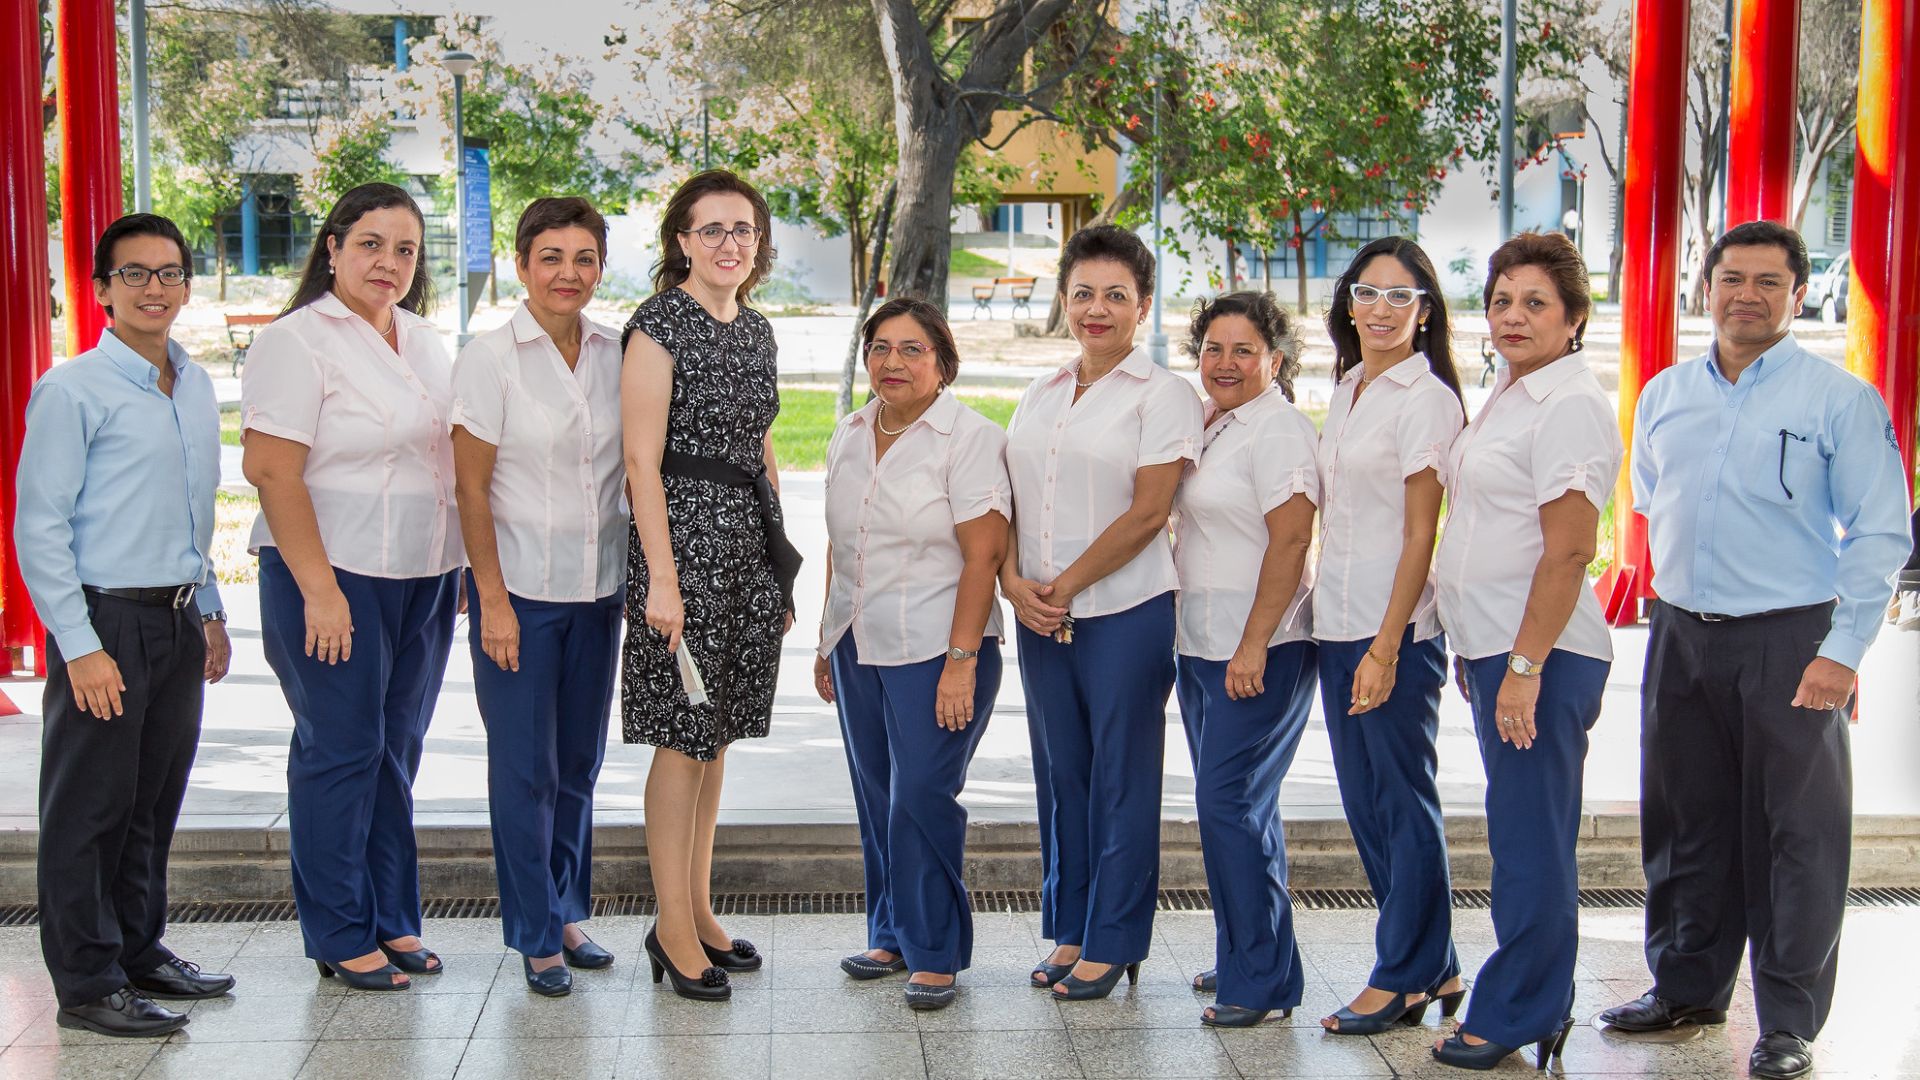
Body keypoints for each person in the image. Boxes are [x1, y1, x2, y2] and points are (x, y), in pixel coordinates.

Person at [1600, 221, 1911, 1080]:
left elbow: (1881, 533)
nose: (1747, 295)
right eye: (1732, 278)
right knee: (1684, 821)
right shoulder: (1665, 394)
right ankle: (1686, 989)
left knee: (1797, 835)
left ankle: (1788, 1023)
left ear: (1797, 296)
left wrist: (1843, 650)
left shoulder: (1837, 400)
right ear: (1706, 287)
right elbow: (1653, 499)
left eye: (1768, 282)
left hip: (1791, 640)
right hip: (1681, 636)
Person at [15, 213, 235, 1036]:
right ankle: (86, 982)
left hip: (176, 618)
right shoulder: (73, 389)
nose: (154, 288)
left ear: (187, 286)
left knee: (152, 800)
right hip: (104, 620)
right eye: (135, 274)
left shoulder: (196, 385)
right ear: (103, 289)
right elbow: (40, 528)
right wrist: (80, 647)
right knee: (89, 810)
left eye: (170, 273)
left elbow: (191, 513)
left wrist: (209, 609)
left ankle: (140, 950)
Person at [242, 182, 463, 992]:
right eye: (371, 244)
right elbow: (271, 469)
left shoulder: (425, 340)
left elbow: (445, 461)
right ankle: (339, 930)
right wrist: (320, 590)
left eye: (405, 249)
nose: (388, 263)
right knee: (341, 750)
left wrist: (459, 564)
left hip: (423, 575)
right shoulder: (296, 341)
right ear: (332, 247)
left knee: (395, 751)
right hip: (331, 575)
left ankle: (391, 915)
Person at [1429, 232, 1622, 1070]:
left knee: (1531, 843)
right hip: (1500, 653)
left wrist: (1523, 667)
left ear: (1574, 317)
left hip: (1541, 658)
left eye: (1535, 302)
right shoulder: (1512, 392)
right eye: (1502, 300)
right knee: (1518, 836)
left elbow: (1570, 551)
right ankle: (1530, 1003)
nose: (1513, 316)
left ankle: (1522, 1010)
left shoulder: (1569, 404)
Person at [1004, 224, 1204, 1000]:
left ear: (1143, 305)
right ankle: (1071, 926)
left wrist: (1064, 585)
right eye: (1083, 293)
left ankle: (1115, 939)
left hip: (1125, 612)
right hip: (1040, 616)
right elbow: (1011, 496)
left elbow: (1150, 512)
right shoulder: (1042, 391)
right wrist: (1014, 582)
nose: (1097, 309)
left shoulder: (1164, 395)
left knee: (1121, 778)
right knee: (1063, 774)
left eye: (1115, 295)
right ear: (1063, 299)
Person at [621, 170, 796, 1002]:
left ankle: (697, 908)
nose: (731, 244)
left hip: (745, 548)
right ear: (682, 241)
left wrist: (779, 561)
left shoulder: (757, 330)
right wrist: (662, 577)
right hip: (682, 550)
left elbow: (762, 448)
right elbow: (639, 460)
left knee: (717, 734)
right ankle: (669, 927)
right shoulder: (658, 325)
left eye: (744, 230)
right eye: (713, 229)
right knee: (681, 732)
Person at [451, 197, 626, 997]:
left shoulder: (617, 351)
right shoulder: (490, 359)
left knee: (578, 764)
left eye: (584, 258)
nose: (568, 273)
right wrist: (491, 600)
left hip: (599, 591)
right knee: (525, 770)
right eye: (550, 257)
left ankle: (565, 911)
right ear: (521, 265)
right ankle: (534, 932)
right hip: (519, 594)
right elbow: (471, 488)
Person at [813, 297, 1010, 1011]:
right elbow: (844, 544)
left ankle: (935, 951)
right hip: (858, 643)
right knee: (877, 797)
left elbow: (984, 556)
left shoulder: (970, 438)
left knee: (922, 794)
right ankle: (891, 934)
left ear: (943, 362)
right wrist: (826, 640)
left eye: (911, 349)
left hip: (937, 646)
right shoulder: (849, 433)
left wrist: (962, 659)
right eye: (879, 348)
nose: (891, 362)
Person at [1312, 238, 1468, 1034]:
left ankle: (1404, 974)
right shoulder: (1348, 387)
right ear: (1348, 303)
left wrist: (1386, 645)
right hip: (1335, 624)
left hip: (1392, 631)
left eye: (1400, 296)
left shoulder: (1426, 400)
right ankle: (1436, 965)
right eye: (1367, 293)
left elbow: (1419, 535)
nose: (1380, 309)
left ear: (1425, 311)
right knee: (1367, 804)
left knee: (1401, 802)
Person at [1169, 291, 1318, 1028]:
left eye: (1243, 351)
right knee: (1239, 810)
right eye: (1212, 349)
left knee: (1228, 804)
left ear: (1276, 360)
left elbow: (1292, 542)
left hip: (1261, 647)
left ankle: (1260, 983)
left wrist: (1255, 641)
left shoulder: (1279, 431)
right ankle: (1247, 954)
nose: (1224, 363)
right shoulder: (1213, 423)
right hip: (1200, 643)